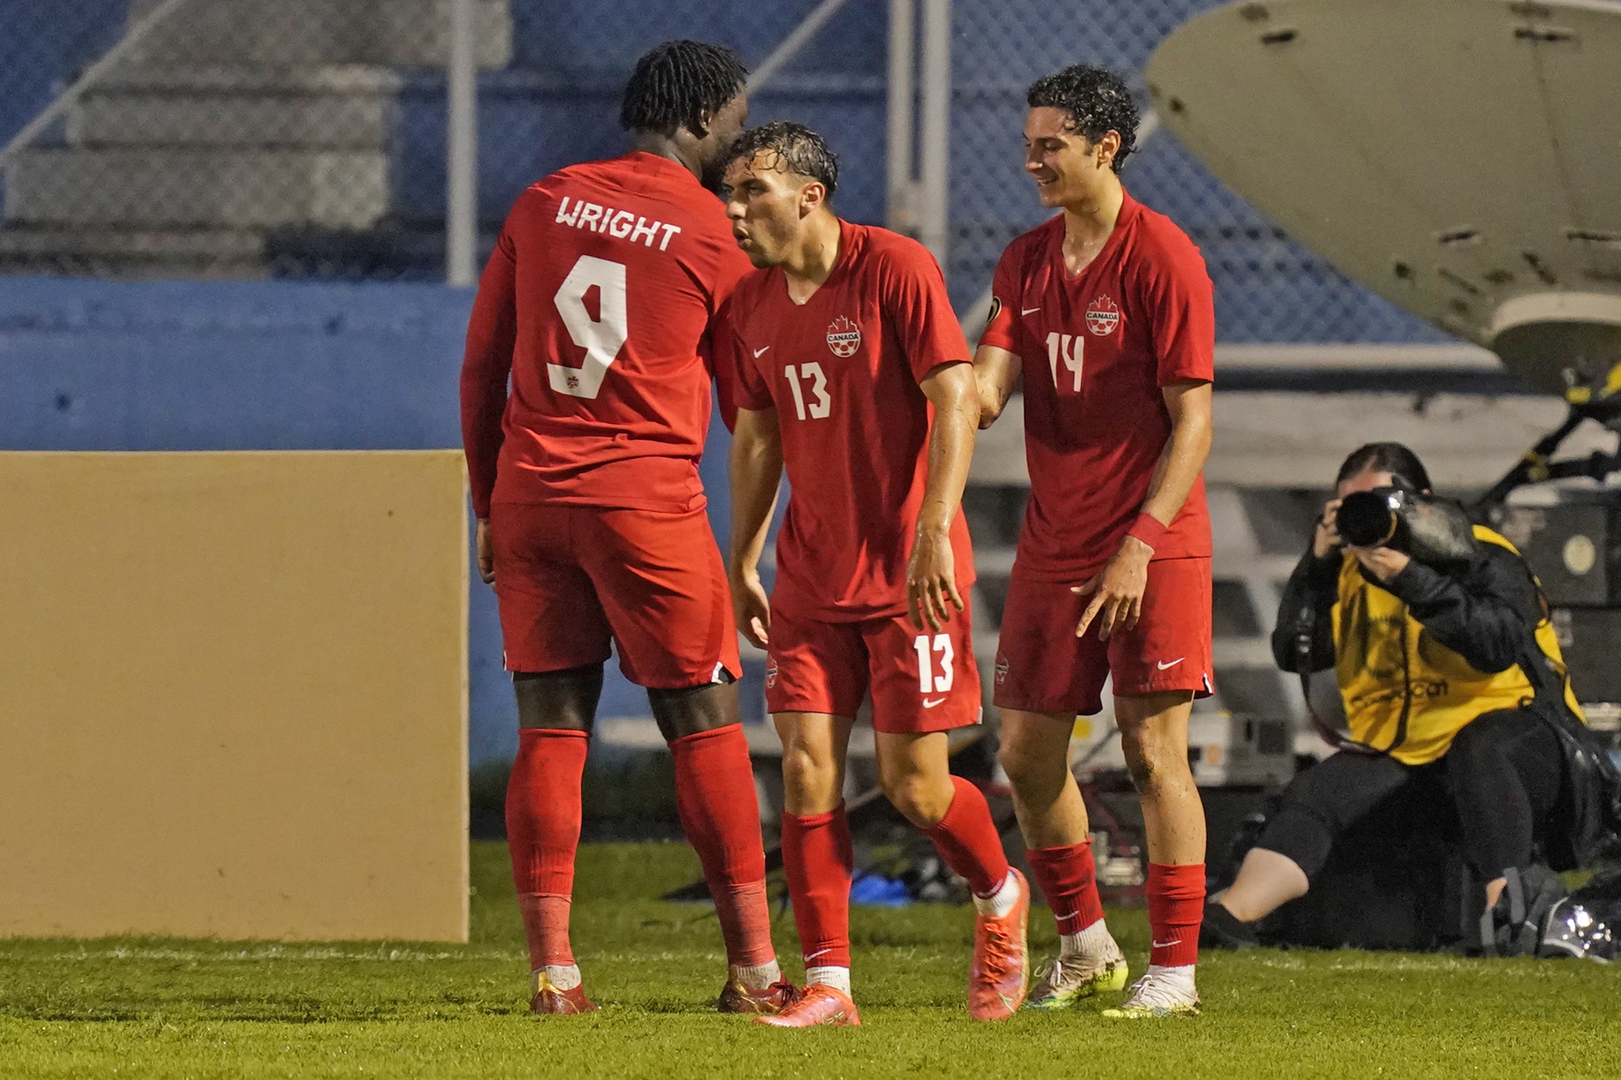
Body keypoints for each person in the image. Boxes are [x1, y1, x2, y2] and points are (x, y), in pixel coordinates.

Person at [459, 40, 793, 1018]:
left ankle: (554, 976)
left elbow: (483, 371)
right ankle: (756, 973)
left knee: (550, 729)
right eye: (734, 122)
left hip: (530, 493)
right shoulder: (712, 232)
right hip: (643, 500)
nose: (737, 146)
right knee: (704, 724)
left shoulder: (541, 200)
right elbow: (748, 404)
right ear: (700, 118)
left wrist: (489, 505)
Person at [723, 121, 1029, 1028]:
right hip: (810, 581)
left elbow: (954, 401)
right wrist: (743, 557)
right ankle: (829, 985)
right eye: (729, 196)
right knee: (806, 770)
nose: (735, 212)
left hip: (910, 576)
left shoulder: (893, 267)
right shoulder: (745, 307)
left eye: (754, 194)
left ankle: (999, 894)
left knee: (916, 789)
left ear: (810, 196)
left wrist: (934, 529)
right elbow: (755, 437)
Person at [974, 64, 1216, 1019]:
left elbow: (1192, 423)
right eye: (1030, 143)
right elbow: (988, 390)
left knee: (1155, 755)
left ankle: (1176, 972)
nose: (1031, 161)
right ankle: (1083, 945)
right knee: (1027, 754)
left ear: (1105, 148)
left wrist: (1140, 543)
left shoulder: (1165, 259)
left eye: (1050, 146)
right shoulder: (1025, 262)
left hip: (1150, 543)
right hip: (1052, 542)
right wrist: (933, 389)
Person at [1204, 442, 1598, 946]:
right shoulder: (1344, 573)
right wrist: (1317, 566)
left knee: (1482, 751)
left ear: (1422, 501)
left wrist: (1411, 578)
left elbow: (1497, 645)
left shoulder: (1479, 551)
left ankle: (1510, 918)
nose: (1365, 518)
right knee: (1319, 792)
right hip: (1411, 756)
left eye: (1379, 503)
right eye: (1351, 507)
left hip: (1528, 751)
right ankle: (1231, 916)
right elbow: (1296, 652)